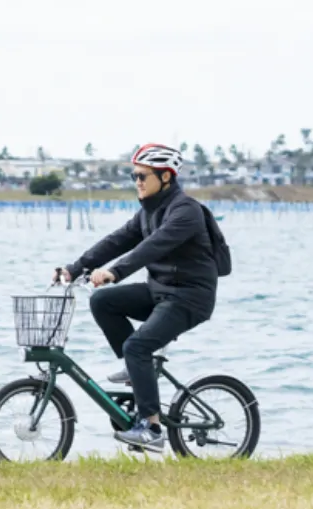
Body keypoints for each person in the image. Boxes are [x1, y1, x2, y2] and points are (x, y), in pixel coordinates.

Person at [55, 143, 219, 452]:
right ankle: (136, 370)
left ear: (166, 177)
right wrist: (75, 268)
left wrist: (114, 273)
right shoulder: (147, 213)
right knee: (103, 302)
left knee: (137, 346)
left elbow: (152, 248)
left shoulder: (186, 211)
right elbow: (116, 241)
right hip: (161, 292)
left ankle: (153, 429)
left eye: (143, 176)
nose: (137, 182)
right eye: (134, 176)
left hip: (189, 298)